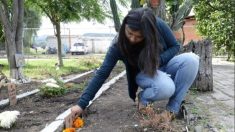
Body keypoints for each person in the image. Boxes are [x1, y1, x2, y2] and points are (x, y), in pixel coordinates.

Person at [71, 7, 199, 120]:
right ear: (125, 26)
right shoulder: (118, 45)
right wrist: (82, 104)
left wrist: (159, 60)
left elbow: (174, 46)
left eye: (138, 37)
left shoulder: (157, 25)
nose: (132, 39)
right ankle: (143, 98)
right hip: (145, 73)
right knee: (167, 88)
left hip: (163, 65)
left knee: (192, 59)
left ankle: (171, 110)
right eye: (130, 33)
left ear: (148, 33)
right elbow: (102, 73)